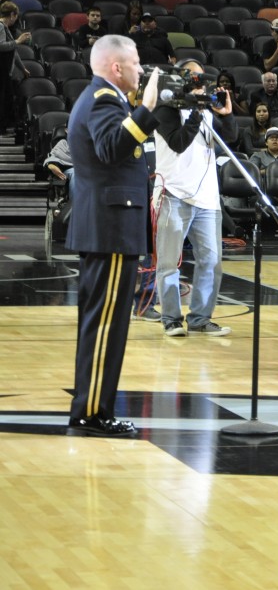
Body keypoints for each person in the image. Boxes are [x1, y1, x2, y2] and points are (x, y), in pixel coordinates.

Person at [65, 36, 160, 436]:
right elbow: (109, 148)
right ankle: (91, 413)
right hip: (111, 227)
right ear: (116, 67)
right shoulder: (104, 98)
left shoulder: (104, 98)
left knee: (105, 323)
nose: (141, 70)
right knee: (105, 325)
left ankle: (95, 407)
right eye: (136, 64)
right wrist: (147, 108)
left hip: (108, 226)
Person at [153, 59, 236, 338]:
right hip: (173, 193)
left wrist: (225, 114)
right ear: (180, 79)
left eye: (202, 78)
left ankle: (200, 318)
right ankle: (171, 318)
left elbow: (231, 138)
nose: (198, 83)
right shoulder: (164, 109)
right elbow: (178, 142)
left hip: (207, 197)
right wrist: (197, 112)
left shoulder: (206, 110)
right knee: (169, 262)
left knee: (212, 261)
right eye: (192, 77)